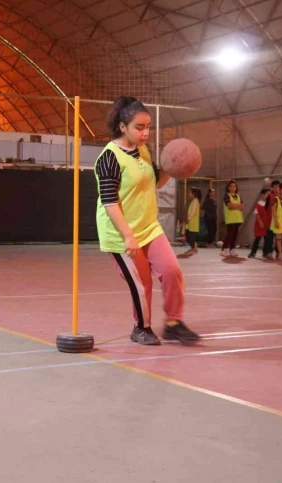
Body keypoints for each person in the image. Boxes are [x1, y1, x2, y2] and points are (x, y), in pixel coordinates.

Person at [94, 96, 200, 346]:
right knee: (143, 284)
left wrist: (171, 166)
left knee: (172, 271)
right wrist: (128, 236)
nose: (145, 133)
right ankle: (141, 328)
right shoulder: (108, 158)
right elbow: (109, 202)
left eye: (148, 127)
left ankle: (174, 323)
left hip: (149, 227)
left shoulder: (142, 150)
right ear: (123, 127)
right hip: (120, 234)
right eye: (139, 127)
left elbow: (156, 182)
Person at [221, 180, 244, 257]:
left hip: (238, 218)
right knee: (229, 234)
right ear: (228, 187)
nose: (233, 188)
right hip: (230, 219)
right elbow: (229, 206)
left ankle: (232, 249)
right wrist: (237, 206)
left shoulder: (238, 196)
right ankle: (224, 249)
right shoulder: (227, 195)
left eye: (234, 186)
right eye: (231, 186)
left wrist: (234, 206)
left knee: (235, 235)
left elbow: (242, 207)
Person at [248, 188, 271, 259]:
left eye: (270, 194)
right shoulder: (258, 203)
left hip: (268, 224)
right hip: (259, 224)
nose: (269, 195)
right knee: (257, 239)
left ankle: (265, 253)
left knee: (267, 239)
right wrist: (260, 222)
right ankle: (252, 253)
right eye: (267, 194)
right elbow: (257, 214)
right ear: (262, 195)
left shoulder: (270, 204)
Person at [262, 180, 280, 260]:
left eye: (278, 187)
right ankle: (269, 252)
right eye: (274, 187)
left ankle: (279, 253)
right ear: (272, 188)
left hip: (279, 221)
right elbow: (266, 208)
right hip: (270, 221)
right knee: (269, 238)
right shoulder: (269, 196)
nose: (276, 188)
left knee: (279, 238)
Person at [184, 187, 201, 255]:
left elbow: (193, 211)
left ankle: (193, 248)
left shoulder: (195, 201)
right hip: (193, 222)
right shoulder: (195, 201)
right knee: (192, 236)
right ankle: (194, 248)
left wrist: (188, 218)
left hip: (192, 222)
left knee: (191, 236)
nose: (189, 194)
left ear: (193, 194)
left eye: (190, 192)